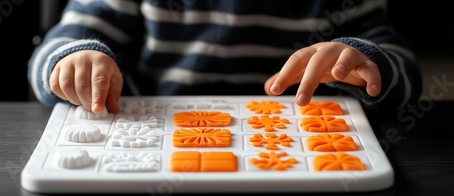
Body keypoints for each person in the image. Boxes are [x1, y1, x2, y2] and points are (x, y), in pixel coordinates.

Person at [28, 0, 422, 114]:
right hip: (157, 134)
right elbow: (65, 39)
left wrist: (365, 61)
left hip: (299, 148)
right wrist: (77, 57)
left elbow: (404, 69)